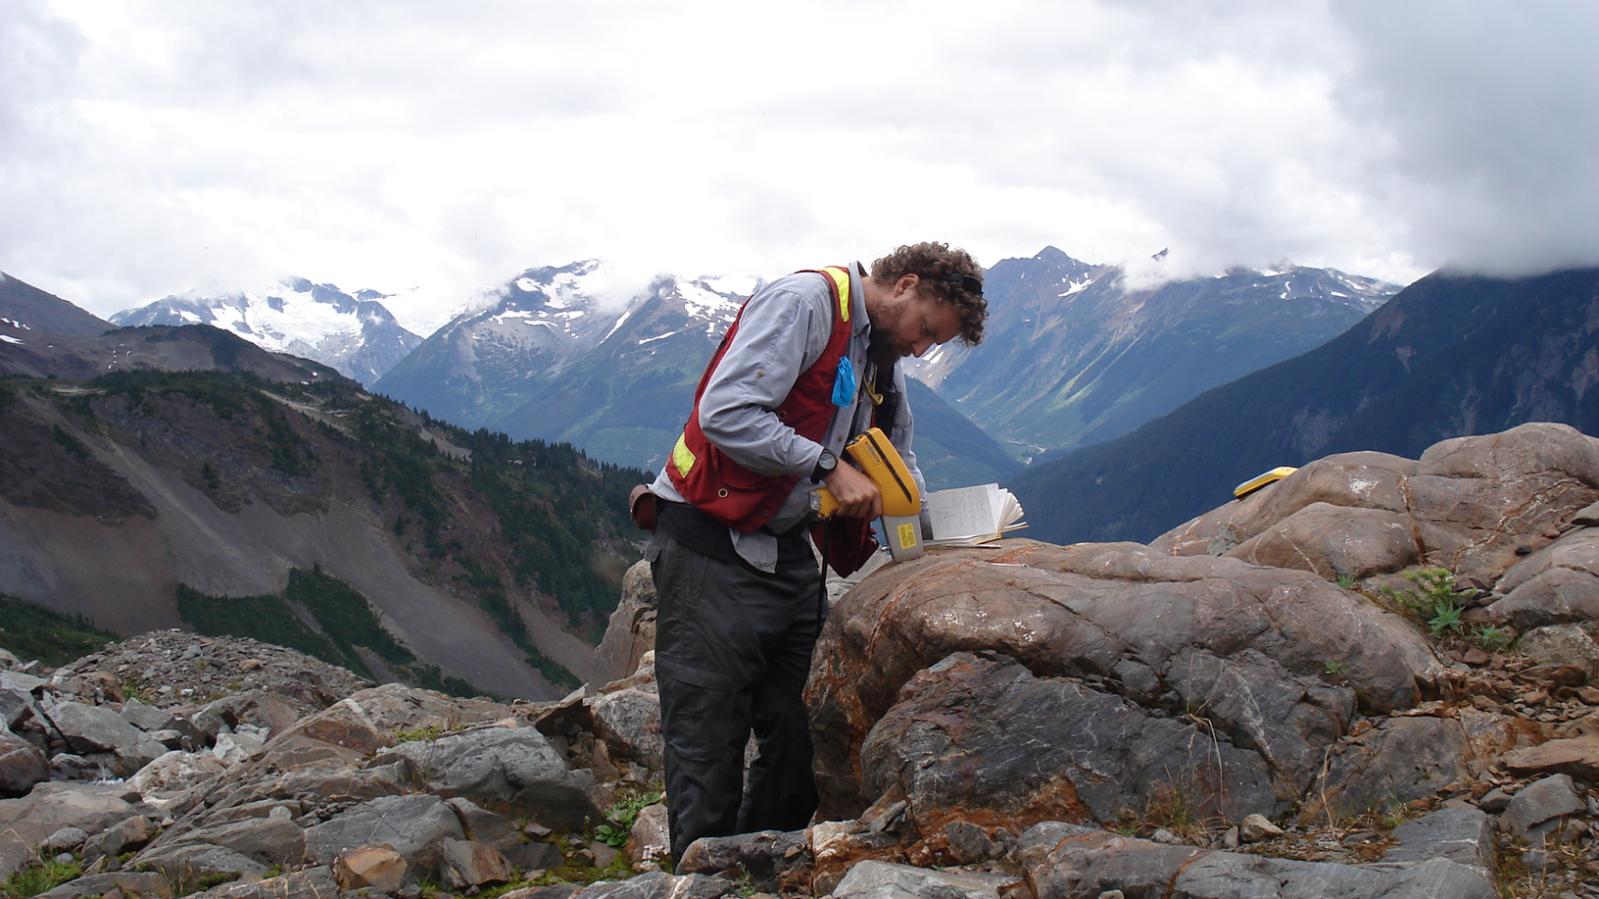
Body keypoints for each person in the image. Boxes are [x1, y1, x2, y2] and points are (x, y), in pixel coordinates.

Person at [642, 242, 988, 865]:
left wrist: (941, 530)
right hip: (710, 543)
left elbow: (899, 461)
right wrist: (827, 467)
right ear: (905, 285)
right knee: (707, 737)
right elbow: (726, 411)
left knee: (806, 726)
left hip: (786, 550)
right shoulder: (804, 303)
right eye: (927, 331)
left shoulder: (880, 354)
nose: (921, 349)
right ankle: (699, 874)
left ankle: (757, 865)